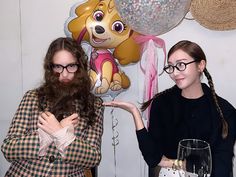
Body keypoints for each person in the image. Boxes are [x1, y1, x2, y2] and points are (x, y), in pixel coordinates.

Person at [103, 40, 236, 177]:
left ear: (200, 65)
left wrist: (168, 162)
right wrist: (135, 113)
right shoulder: (162, 103)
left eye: (181, 65)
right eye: (171, 67)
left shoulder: (224, 111)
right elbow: (152, 157)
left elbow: (221, 166)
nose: (175, 73)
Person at [1, 37, 104, 177]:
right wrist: (48, 135)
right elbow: (9, 148)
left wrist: (61, 134)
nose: (65, 74)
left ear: (80, 67)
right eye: (58, 67)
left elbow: (93, 157)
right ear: (50, 68)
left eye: (71, 66)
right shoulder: (33, 97)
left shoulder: (94, 105)